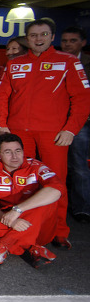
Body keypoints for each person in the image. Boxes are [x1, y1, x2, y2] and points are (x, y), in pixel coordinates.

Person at [0, 18, 90, 248]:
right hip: (18, 133)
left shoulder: (67, 62)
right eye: (34, 35)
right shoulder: (15, 64)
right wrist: (0, 125)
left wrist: (70, 129)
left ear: (51, 37)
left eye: (43, 35)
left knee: (54, 182)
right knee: (18, 181)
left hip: (53, 134)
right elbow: (1, 96)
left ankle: (58, 230)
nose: (38, 39)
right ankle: (15, 222)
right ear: (27, 39)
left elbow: (82, 99)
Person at [0, 133, 63, 268]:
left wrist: (18, 210)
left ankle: (4, 244)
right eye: (8, 152)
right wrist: (7, 218)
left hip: (37, 226)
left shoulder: (36, 166)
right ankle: (30, 247)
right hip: (7, 220)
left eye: (18, 151)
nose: (14, 156)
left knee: (46, 199)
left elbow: (57, 189)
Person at [60, 26, 90, 222]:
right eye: (64, 41)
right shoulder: (55, 61)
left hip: (81, 124)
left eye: (72, 40)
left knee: (79, 166)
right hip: (55, 122)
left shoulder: (87, 63)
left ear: (83, 43)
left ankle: (82, 209)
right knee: (57, 167)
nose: (68, 44)